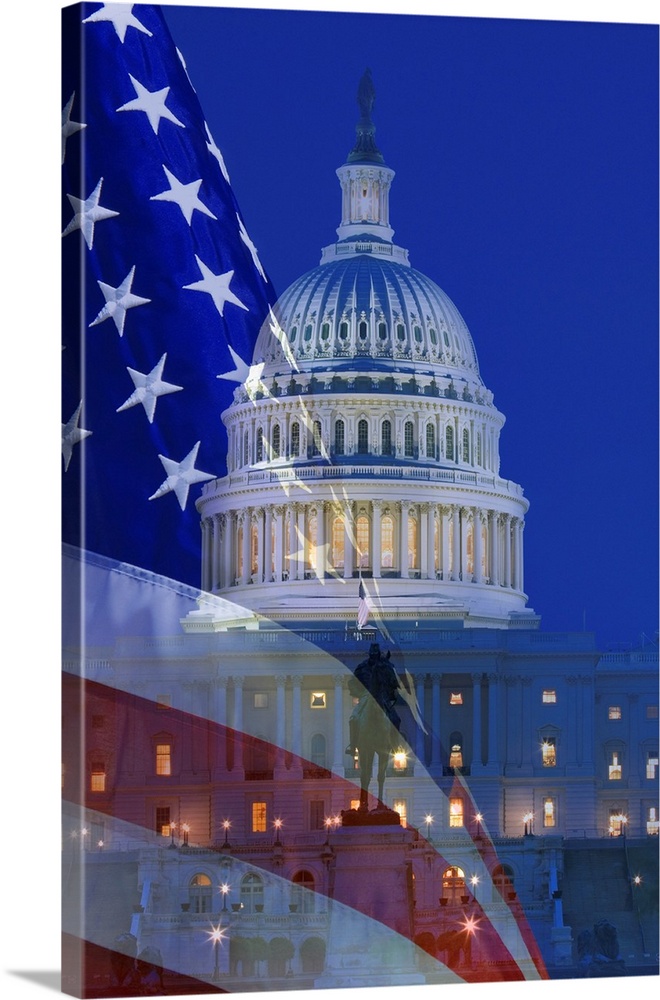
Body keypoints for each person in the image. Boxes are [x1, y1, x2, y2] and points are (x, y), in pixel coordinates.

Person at [345, 642, 401, 755]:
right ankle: (353, 745)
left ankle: (395, 744)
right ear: (370, 655)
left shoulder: (384, 666)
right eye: (373, 656)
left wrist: (390, 692)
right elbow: (351, 682)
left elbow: (392, 681)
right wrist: (360, 693)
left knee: (396, 719)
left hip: (382, 698)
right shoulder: (362, 667)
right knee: (353, 719)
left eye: (377, 656)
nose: (375, 658)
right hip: (365, 697)